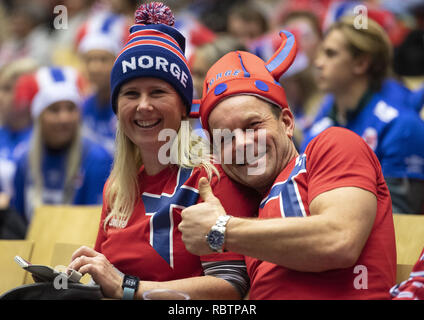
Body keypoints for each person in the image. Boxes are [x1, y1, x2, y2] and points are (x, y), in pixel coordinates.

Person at [178, 29, 396, 300]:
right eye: (226, 138)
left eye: (253, 126)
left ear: (287, 122)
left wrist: (221, 229)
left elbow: (339, 240)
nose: (243, 144)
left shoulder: (333, 143)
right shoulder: (238, 200)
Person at [68, 2, 260, 300]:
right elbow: (108, 282)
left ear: (184, 107)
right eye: (131, 94)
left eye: (158, 92)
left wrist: (128, 288)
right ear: (117, 110)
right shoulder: (116, 188)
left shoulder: (212, 177)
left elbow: (230, 287)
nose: (144, 106)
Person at [301, 16, 424, 214]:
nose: (318, 63)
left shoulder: (402, 127)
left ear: (361, 63)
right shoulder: (317, 128)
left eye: (330, 54)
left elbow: (399, 221)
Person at [11, 66, 113, 224]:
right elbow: (16, 221)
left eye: (71, 109)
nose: (64, 118)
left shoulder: (97, 158)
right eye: (54, 110)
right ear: (38, 117)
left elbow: (95, 223)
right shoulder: (24, 158)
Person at [76, 10, 128, 156]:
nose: (94, 68)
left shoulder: (128, 105)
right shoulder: (84, 105)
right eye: (89, 60)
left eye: (103, 60)